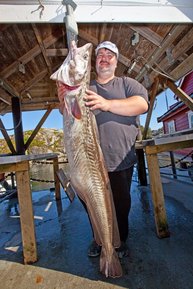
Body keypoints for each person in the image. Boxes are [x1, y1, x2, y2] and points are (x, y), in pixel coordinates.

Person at [84, 41, 149, 258]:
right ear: (95, 62)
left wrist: (107, 104)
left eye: (109, 54)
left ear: (116, 61)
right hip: (90, 162)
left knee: (121, 204)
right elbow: (65, 108)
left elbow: (141, 104)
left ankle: (120, 242)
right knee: (92, 205)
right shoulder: (86, 87)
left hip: (120, 158)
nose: (104, 57)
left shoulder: (126, 83)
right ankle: (99, 240)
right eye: (100, 54)